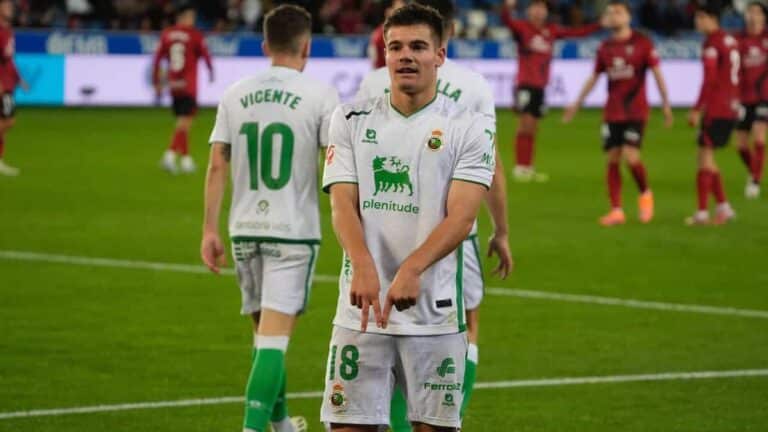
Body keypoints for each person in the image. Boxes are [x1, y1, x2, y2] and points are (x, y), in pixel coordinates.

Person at [320, 4, 496, 431]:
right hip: (360, 308)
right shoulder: (349, 119)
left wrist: (413, 268)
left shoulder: (469, 128)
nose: (405, 56)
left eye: (418, 46)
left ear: (440, 54)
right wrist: (363, 264)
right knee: (347, 426)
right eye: (395, 47)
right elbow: (342, 204)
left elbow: (461, 217)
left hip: (435, 313)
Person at [202, 5, 339, 432]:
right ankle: (252, 427)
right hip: (293, 232)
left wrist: (209, 228)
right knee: (274, 342)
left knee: (264, 340)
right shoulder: (320, 95)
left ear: (265, 46)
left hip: (243, 229)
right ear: (307, 46)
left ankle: (280, 424)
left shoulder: (235, 93)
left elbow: (216, 165)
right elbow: (336, 165)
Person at [563, 0, 673, 226]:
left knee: (630, 156)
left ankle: (645, 194)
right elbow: (594, 77)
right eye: (610, 13)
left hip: (636, 111)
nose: (613, 16)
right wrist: (576, 103)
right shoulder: (605, 47)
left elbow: (657, 73)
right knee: (612, 158)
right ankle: (616, 210)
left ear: (628, 17)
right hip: (612, 112)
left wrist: (666, 104)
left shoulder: (642, 43)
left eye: (618, 12)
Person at [501, 0, 601, 182]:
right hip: (525, 84)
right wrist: (508, 7)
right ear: (529, 11)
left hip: (541, 86)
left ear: (546, 12)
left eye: (542, 8)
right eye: (535, 7)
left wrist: (599, 25)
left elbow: (576, 33)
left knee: (533, 127)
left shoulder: (551, 31)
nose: (538, 11)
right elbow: (506, 20)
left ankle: (527, 167)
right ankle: (520, 167)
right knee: (525, 124)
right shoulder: (522, 28)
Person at [686, 1, 740, 225]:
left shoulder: (712, 44)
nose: (696, 22)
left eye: (700, 18)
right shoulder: (730, 40)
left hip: (717, 108)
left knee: (704, 158)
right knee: (707, 158)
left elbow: (709, 81)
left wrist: (697, 109)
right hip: (732, 105)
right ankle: (724, 207)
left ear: (712, 19)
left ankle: (701, 213)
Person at [152, 4, 213, 174]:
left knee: (182, 122)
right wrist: (210, 70)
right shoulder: (194, 35)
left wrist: (156, 81)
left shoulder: (167, 34)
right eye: (191, 17)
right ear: (185, 17)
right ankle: (170, 155)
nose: (193, 20)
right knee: (185, 122)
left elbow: (157, 59)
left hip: (173, 85)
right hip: (188, 85)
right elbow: (206, 55)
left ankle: (186, 160)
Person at [735, 1, 767, 199]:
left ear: (764, 16)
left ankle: (754, 181)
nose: (753, 16)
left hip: (764, 96)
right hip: (744, 97)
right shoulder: (738, 40)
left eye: (757, 12)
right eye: (750, 12)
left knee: (759, 137)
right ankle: (755, 171)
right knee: (741, 145)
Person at [0, 0, 28, 177]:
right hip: (1, 83)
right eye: (6, 6)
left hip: (8, 82)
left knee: (7, 121)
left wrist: (19, 79)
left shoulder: (8, 31)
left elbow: (9, 60)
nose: (10, 9)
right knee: (8, 120)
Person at [368, 0, 406, 69]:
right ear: (388, 11)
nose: (403, 14)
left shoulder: (406, 33)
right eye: (399, 10)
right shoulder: (378, 36)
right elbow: (374, 61)